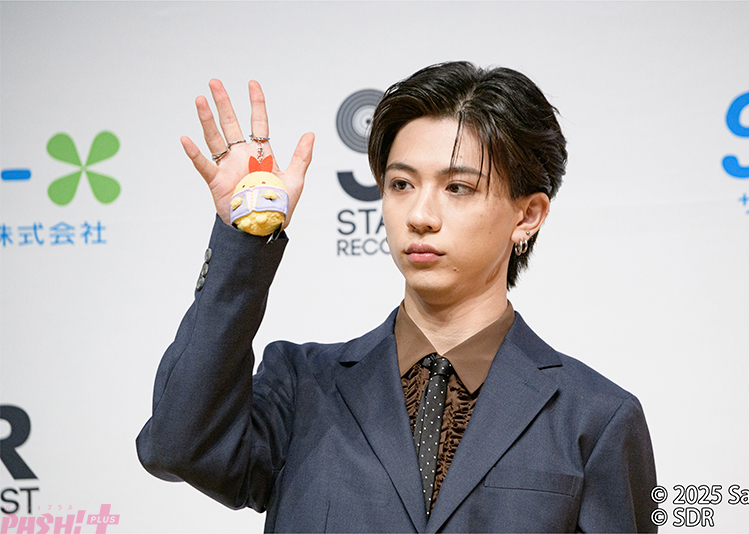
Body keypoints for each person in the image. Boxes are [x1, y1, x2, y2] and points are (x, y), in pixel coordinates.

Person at [136, 61, 657, 532]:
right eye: (401, 184)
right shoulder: (303, 385)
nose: (420, 216)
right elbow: (178, 447)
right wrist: (246, 238)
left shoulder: (596, 418)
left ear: (528, 215)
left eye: (457, 188)